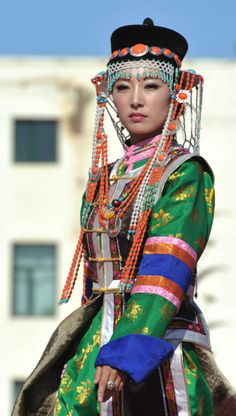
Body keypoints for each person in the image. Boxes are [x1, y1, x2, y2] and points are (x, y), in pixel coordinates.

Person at [12, 18, 236, 416]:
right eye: (122, 87)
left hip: (160, 343)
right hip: (96, 341)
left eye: (151, 86)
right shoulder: (106, 176)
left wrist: (126, 350)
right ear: (108, 97)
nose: (136, 99)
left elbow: (168, 266)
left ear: (176, 95)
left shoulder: (184, 172)